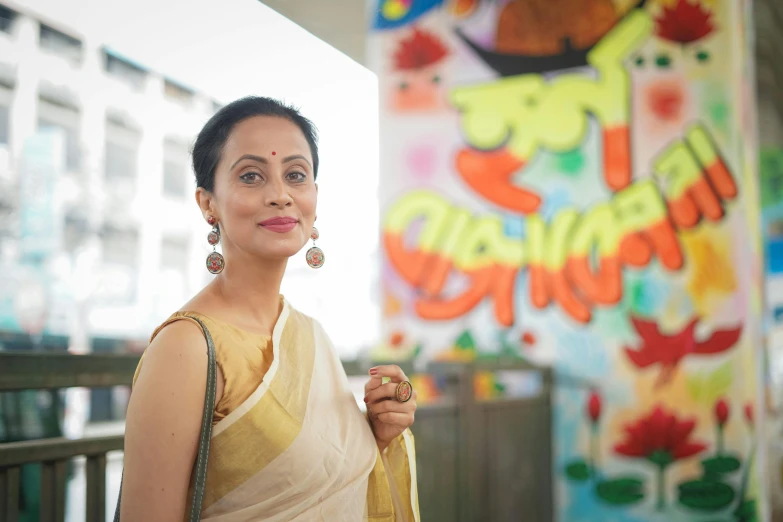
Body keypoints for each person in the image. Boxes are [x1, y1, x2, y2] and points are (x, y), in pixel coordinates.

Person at [118, 97, 419, 521]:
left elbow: (318, 478)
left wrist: (379, 433)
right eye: (251, 176)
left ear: (314, 196)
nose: (280, 195)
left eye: (296, 175)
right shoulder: (186, 348)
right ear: (208, 204)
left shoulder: (309, 334)